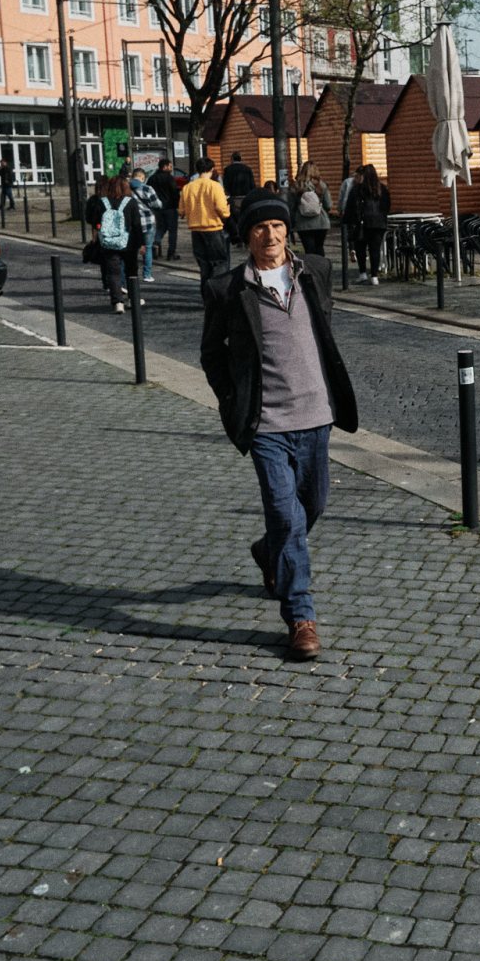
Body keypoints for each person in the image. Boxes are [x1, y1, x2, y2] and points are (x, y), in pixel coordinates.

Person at [198, 197, 358, 661]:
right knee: (287, 517)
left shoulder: (315, 271)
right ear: (246, 235)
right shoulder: (228, 288)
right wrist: (233, 402)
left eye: (277, 225)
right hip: (267, 424)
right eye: (260, 228)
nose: (270, 235)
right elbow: (211, 354)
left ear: (288, 230)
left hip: (316, 416)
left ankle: (269, 551)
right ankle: (301, 617)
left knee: (314, 505)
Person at [85, 175, 147, 314]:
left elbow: (95, 222)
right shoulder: (131, 202)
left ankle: (118, 302)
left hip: (109, 243)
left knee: (113, 273)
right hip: (129, 243)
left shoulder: (102, 202)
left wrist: (100, 232)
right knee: (131, 271)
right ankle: (133, 299)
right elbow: (136, 224)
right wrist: (141, 243)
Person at [182, 156, 232, 290]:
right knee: (219, 263)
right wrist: (227, 211)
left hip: (195, 230)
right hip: (213, 228)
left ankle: (206, 294)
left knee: (204, 265)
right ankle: (217, 292)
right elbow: (221, 209)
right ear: (212, 169)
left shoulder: (187, 188)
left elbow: (181, 211)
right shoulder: (215, 186)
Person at [342, 164, 390, 286]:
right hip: (378, 223)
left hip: (362, 223)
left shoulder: (358, 189)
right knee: (375, 249)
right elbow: (387, 205)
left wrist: (346, 221)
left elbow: (351, 206)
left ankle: (363, 273)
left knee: (361, 249)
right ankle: (374, 276)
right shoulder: (382, 189)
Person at [287, 161, 333, 257]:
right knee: (319, 247)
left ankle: (311, 266)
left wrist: (292, 222)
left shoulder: (296, 186)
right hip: (321, 222)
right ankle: (321, 265)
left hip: (303, 223)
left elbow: (291, 206)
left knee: (309, 249)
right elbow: (328, 205)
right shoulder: (321, 185)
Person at [129, 168, 162, 283]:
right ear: (142, 177)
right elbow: (157, 204)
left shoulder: (126, 189)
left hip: (132, 223)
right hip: (148, 222)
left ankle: (132, 274)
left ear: (133, 176)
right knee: (148, 248)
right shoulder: (147, 188)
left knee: (132, 249)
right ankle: (147, 275)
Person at [148, 158, 181, 261]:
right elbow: (175, 193)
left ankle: (156, 243)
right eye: (170, 166)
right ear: (165, 167)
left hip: (157, 208)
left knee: (160, 227)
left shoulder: (152, 178)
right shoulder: (170, 178)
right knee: (172, 231)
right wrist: (177, 205)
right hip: (170, 207)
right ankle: (171, 253)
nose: (171, 168)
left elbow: (148, 192)